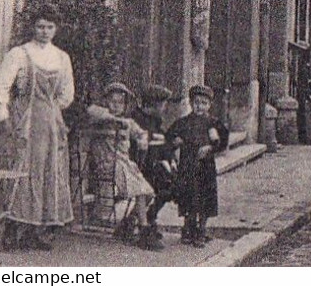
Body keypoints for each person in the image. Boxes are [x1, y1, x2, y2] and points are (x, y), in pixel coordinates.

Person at [0, 5, 75, 251]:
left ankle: (37, 230)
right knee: (22, 170)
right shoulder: (19, 53)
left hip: (50, 124)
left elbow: (67, 94)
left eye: (50, 27)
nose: (45, 31)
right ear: (32, 27)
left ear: (56, 29)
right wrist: (4, 118)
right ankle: (11, 230)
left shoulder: (61, 57)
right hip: (25, 122)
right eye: (40, 26)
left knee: (48, 173)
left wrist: (52, 110)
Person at [83, 83, 159, 249]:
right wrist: (115, 120)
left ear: (125, 105)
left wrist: (142, 139)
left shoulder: (128, 122)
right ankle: (144, 229)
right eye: (112, 101)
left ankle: (128, 223)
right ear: (106, 101)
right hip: (107, 163)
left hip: (124, 164)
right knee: (140, 190)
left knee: (148, 193)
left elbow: (141, 132)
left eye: (120, 103)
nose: (115, 106)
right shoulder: (100, 117)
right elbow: (91, 110)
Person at [165, 85, 228, 247]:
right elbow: (169, 138)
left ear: (210, 105)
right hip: (187, 166)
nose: (200, 106)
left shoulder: (213, 123)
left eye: (204, 103)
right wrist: (175, 142)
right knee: (188, 196)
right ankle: (188, 227)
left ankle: (202, 229)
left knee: (205, 197)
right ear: (191, 103)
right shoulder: (183, 123)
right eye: (197, 102)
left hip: (205, 167)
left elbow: (222, 142)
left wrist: (211, 147)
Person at [129, 84, 175, 248]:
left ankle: (148, 217)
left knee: (173, 185)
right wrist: (157, 140)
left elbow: (164, 142)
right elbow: (141, 141)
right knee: (150, 186)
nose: (165, 107)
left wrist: (170, 160)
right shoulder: (136, 118)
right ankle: (142, 228)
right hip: (137, 165)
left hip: (151, 164)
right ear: (154, 104)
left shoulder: (156, 120)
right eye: (163, 104)